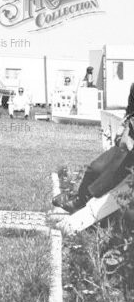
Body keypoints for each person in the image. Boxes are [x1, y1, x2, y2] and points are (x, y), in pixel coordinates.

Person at [54, 83, 134, 213]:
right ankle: (77, 195)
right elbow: (130, 111)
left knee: (116, 167)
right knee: (96, 167)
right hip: (129, 140)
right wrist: (123, 128)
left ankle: (81, 200)